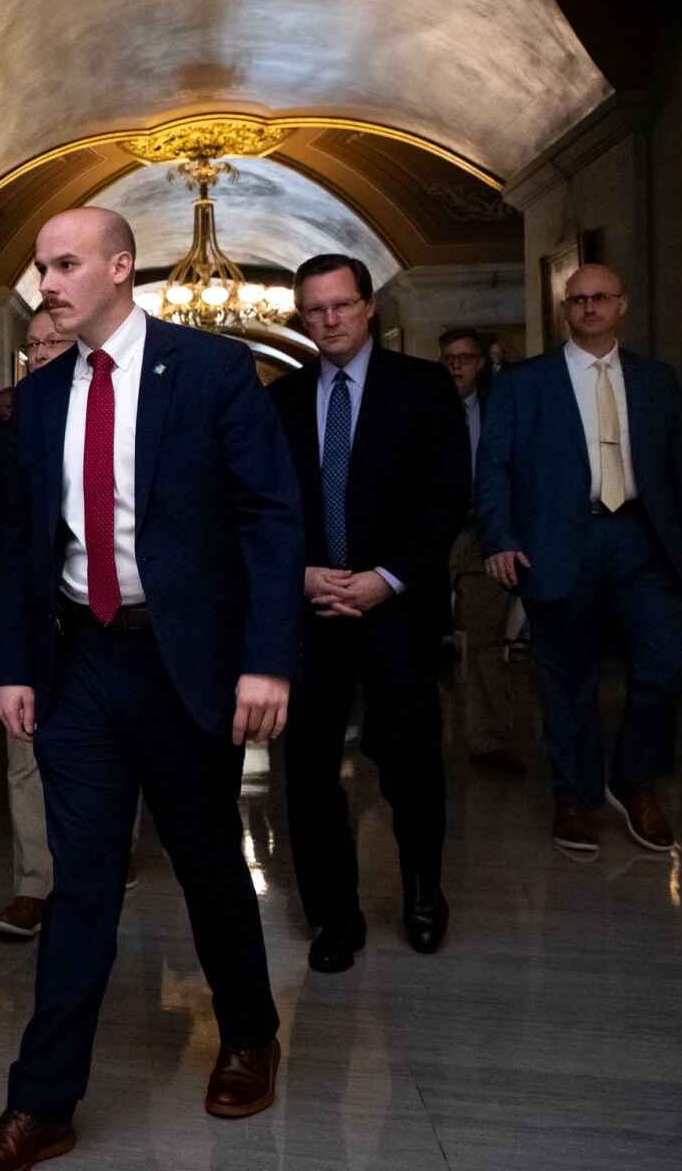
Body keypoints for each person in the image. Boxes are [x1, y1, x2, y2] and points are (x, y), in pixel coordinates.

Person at [0, 207, 303, 1171]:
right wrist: (18, 666)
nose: (47, 283)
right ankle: (43, 1103)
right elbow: (23, 544)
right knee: (82, 886)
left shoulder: (210, 373)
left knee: (206, 865)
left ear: (121, 266)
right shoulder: (39, 400)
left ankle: (247, 1034)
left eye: (65, 264)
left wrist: (267, 659)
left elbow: (271, 519)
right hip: (80, 664)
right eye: (39, 267)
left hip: (183, 661)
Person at [268, 256, 468, 973]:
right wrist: (300, 575)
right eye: (314, 310)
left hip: (397, 610)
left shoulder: (422, 389)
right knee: (311, 768)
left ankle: (423, 891)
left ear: (370, 304)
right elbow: (265, 508)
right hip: (313, 613)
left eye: (342, 306)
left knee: (410, 759)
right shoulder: (283, 399)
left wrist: (387, 578)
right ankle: (334, 916)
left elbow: (448, 498)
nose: (329, 321)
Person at [477, 263, 682, 852]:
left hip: (643, 540)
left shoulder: (656, 380)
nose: (588, 308)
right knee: (566, 679)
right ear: (565, 309)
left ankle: (635, 780)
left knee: (664, 668)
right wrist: (500, 537)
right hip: (558, 542)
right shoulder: (524, 383)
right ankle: (575, 797)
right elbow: (493, 468)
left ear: (622, 304)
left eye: (600, 298)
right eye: (577, 299)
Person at [0, 308, 76, 938]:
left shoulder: (118, 406)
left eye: (55, 342)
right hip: (35, 616)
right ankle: (34, 885)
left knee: (108, 756)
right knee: (26, 753)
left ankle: (105, 856)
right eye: (33, 345)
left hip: (111, 622)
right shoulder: (13, 431)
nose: (41, 353)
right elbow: (7, 537)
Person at [439, 326, 524, 775]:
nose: (457, 366)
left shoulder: (500, 409)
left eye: (466, 358)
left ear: (482, 364)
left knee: (487, 641)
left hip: (482, 534)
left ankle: (488, 740)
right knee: (415, 638)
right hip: (430, 534)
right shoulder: (423, 408)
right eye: (449, 358)